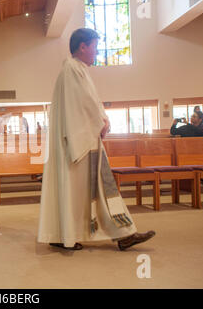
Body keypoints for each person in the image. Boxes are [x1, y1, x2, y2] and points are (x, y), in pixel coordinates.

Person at [38, 28, 155, 251]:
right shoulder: (72, 69)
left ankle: (124, 233)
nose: (97, 52)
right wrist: (101, 122)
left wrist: (101, 119)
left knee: (103, 189)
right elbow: (83, 103)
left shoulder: (76, 70)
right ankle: (73, 235)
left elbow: (90, 102)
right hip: (78, 146)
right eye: (95, 46)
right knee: (88, 192)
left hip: (85, 142)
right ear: (83, 46)